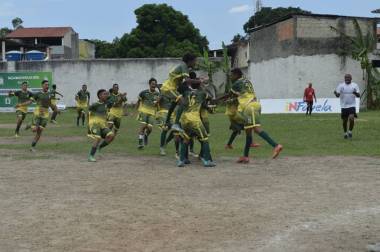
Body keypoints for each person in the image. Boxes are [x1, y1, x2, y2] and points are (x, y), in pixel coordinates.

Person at [229, 68, 283, 163]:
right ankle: (245, 157)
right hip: (254, 105)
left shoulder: (236, 83)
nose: (231, 77)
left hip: (250, 107)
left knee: (257, 129)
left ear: (237, 75)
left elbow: (229, 95)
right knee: (248, 132)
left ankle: (276, 145)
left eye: (232, 75)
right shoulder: (247, 81)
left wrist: (216, 100)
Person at [160, 53, 206, 132]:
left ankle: (167, 122)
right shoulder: (184, 66)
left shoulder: (184, 66)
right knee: (183, 102)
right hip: (169, 88)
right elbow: (187, 80)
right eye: (195, 61)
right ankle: (176, 124)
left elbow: (187, 79)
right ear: (190, 61)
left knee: (175, 103)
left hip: (171, 88)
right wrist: (200, 81)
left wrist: (198, 79)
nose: (196, 63)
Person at [177, 80, 215, 167]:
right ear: (200, 85)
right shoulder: (202, 93)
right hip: (194, 118)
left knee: (186, 139)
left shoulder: (187, 93)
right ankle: (207, 161)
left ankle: (181, 161)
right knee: (205, 139)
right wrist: (204, 88)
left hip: (184, 119)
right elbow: (211, 97)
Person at [24, 80, 55, 152]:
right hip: (38, 113)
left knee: (39, 132)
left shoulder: (50, 94)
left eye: (48, 85)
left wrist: (55, 109)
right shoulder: (38, 94)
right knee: (34, 130)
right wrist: (22, 104)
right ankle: (30, 124)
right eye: (46, 85)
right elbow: (30, 101)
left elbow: (50, 104)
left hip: (45, 115)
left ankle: (32, 147)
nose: (47, 86)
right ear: (42, 85)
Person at [87, 89, 115, 162]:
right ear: (99, 96)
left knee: (111, 136)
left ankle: (99, 147)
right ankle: (91, 156)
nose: (106, 95)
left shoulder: (106, 104)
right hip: (94, 124)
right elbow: (88, 112)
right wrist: (89, 123)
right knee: (98, 138)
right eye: (104, 94)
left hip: (102, 125)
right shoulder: (95, 105)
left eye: (106, 94)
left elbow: (112, 100)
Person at [334, 74, 360, 139]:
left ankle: (350, 131)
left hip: (352, 105)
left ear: (351, 78)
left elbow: (358, 95)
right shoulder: (341, 85)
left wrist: (355, 93)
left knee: (351, 118)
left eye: (348, 78)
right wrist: (336, 93)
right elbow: (337, 95)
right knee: (345, 121)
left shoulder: (355, 85)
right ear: (344, 79)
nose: (347, 79)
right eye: (346, 78)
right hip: (344, 106)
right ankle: (345, 132)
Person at [136, 78, 160, 149]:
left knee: (150, 128)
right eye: (152, 84)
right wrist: (136, 110)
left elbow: (157, 105)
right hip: (144, 111)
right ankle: (140, 144)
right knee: (143, 126)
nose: (154, 85)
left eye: (155, 84)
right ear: (149, 84)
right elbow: (138, 101)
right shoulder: (143, 92)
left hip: (152, 113)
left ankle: (146, 135)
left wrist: (157, 102)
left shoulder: (157, 94)